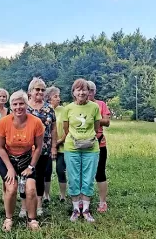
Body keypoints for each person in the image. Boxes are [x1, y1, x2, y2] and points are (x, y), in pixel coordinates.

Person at [0, 90, 45, 231]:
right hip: (7, 158)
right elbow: (0, 147)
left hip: (27, 158)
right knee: (11, 188)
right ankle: (8, 218)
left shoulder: (36, 122)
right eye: (15, 104)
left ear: (27, 105)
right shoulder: (3, 122)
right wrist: (10, 168)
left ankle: (32, 219)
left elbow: (38, 147)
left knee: (30, 189)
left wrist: (31, 166)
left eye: (21, 104)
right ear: (11, 106)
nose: (18, 107)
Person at [63, 79, 101, 223]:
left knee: (88, 178)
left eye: (84, 89)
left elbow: (96, 127)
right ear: (73, 92)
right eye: (78, 90)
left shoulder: (94, 107)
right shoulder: (68, 108)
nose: (81, 92)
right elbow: (66, 129)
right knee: (73, 178)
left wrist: (86, 138)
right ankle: (75, 209)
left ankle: (85, 209)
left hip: (91, 149)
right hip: (72, 148)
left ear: (88, 91)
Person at [22, 78, 57, 218]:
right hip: (25, 150)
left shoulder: (49, 108)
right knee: (25, 177)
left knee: (41, 176)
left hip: (44, 149)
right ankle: (24, 207)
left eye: (43, 89)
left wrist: (54, 147)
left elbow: (54, 129)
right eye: (37, 89)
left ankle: (39, 205)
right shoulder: (24, 107)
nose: (40, 92)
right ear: (30, 91)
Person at [87, 81, 111, 213]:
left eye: (91, 90)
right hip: (82, 144)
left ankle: (102, 202)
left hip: (99, 143)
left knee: (100, 173)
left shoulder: (101, 104)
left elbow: (107, 122)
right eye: (86, 90)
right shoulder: (79, 106)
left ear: (94, 92)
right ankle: (84, 201)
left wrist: (92, 118)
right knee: (84, 174)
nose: (88, 93)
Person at [45, 86, 67, 202]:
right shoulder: (45, 110)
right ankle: (46, 195)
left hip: (62, 146)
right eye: (56, 96)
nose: (59, 98)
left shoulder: (63, 110)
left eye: (59, 96)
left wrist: (60, 141)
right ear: (49, 99)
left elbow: (67, 128)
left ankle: (62, 195)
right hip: (48, 146)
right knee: (47, 171)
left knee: (60, 170)